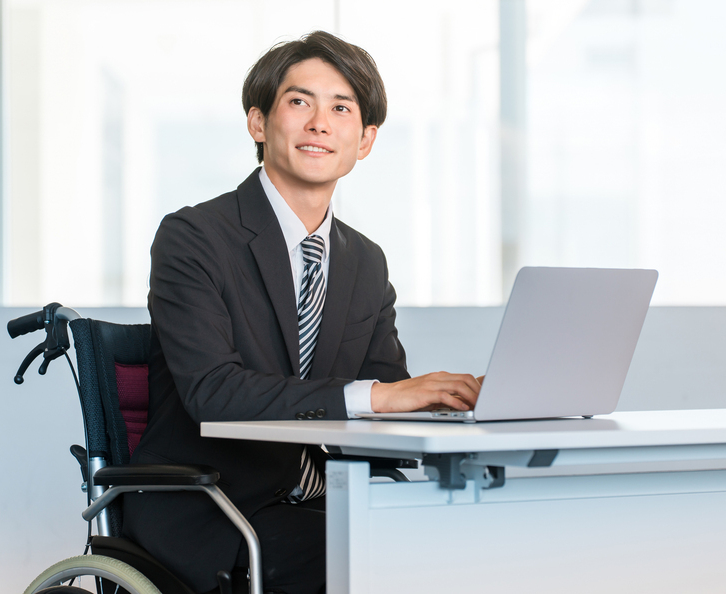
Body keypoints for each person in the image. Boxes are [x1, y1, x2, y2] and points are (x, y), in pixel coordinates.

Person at [123, 30, 481, 594]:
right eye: (299, 102)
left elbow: (386, 387)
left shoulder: (363, 260)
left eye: (341, 108)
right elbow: (214, 391)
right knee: (380, 556)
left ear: (364, 140)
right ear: (258, 123)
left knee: (469, 537)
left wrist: (459, 406)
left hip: (329, 498)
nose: (320, 123)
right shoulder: (193, 238)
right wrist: (378, 396)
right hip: (211, 503)